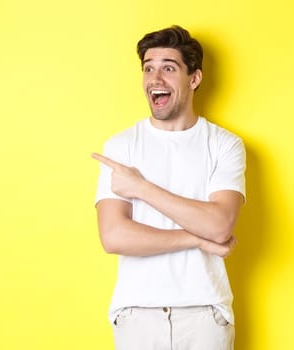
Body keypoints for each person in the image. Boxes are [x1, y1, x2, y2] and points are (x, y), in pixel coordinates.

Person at [91, 25, 245, 350]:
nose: (155, 79)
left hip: (205, 314)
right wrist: (195, 237)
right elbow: (114, 236)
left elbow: (219, 225)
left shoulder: (224, 145)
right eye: (148, 68)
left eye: (168, 68)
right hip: (137, 316)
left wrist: (140, 187)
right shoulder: (121, 147)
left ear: (194, 78)